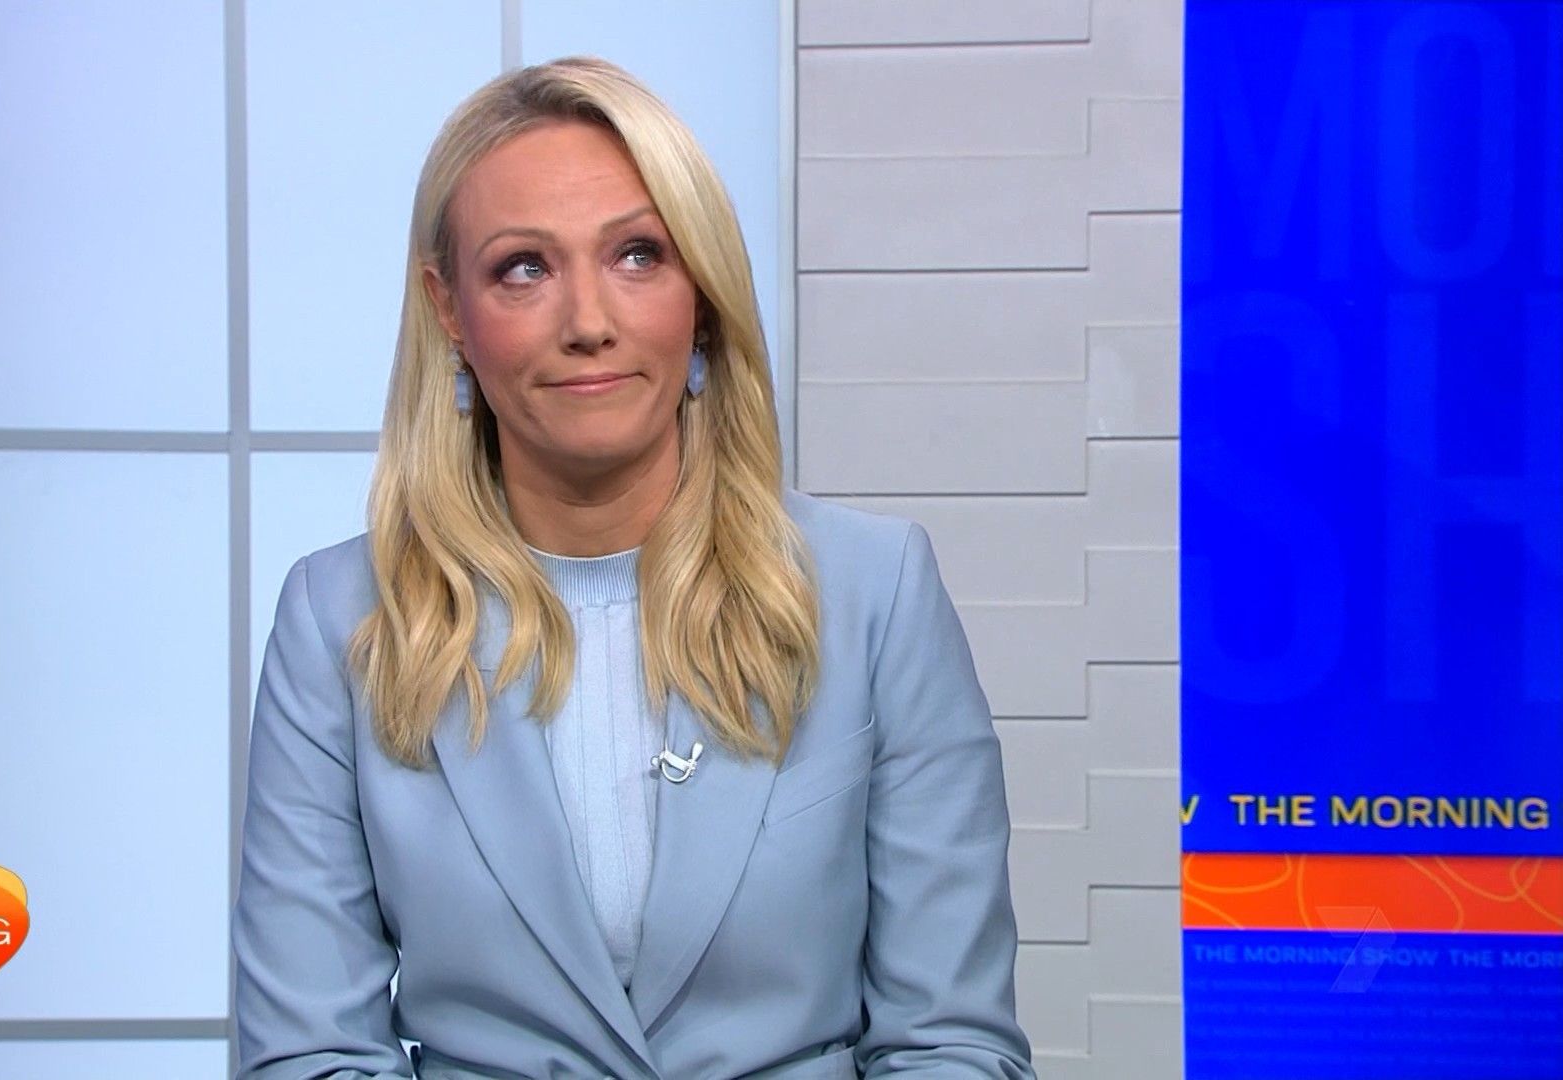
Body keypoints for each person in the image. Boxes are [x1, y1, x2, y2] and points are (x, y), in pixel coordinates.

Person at [232, 55, 1035, 1080]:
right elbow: (308, 1052)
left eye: (639, 255)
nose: (588, 323)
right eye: (524, 268)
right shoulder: (338, 619)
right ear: (449, 310)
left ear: (701, 294)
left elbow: (952, 1042)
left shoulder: (877, 593)